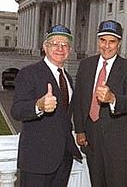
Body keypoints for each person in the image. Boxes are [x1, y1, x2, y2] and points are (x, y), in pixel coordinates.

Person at [11, 24, 82, 187]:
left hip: (63, 159)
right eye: (55, 44)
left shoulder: (68, 79)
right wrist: (39, 105)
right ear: (45, 47)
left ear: (69, 50)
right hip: (37, 160)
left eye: (64, 45)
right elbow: (16, 110)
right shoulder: (29, 73)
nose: (60, 48)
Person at [73, 20, 127, 187]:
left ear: (119, 44)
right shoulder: (86, 65)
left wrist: (113, 99)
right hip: (92, 140)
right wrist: (80, 130)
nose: (107, 46)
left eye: (112, 41)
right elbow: (79, 100)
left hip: (118, 142)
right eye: (103, 40)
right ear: (98, 41)